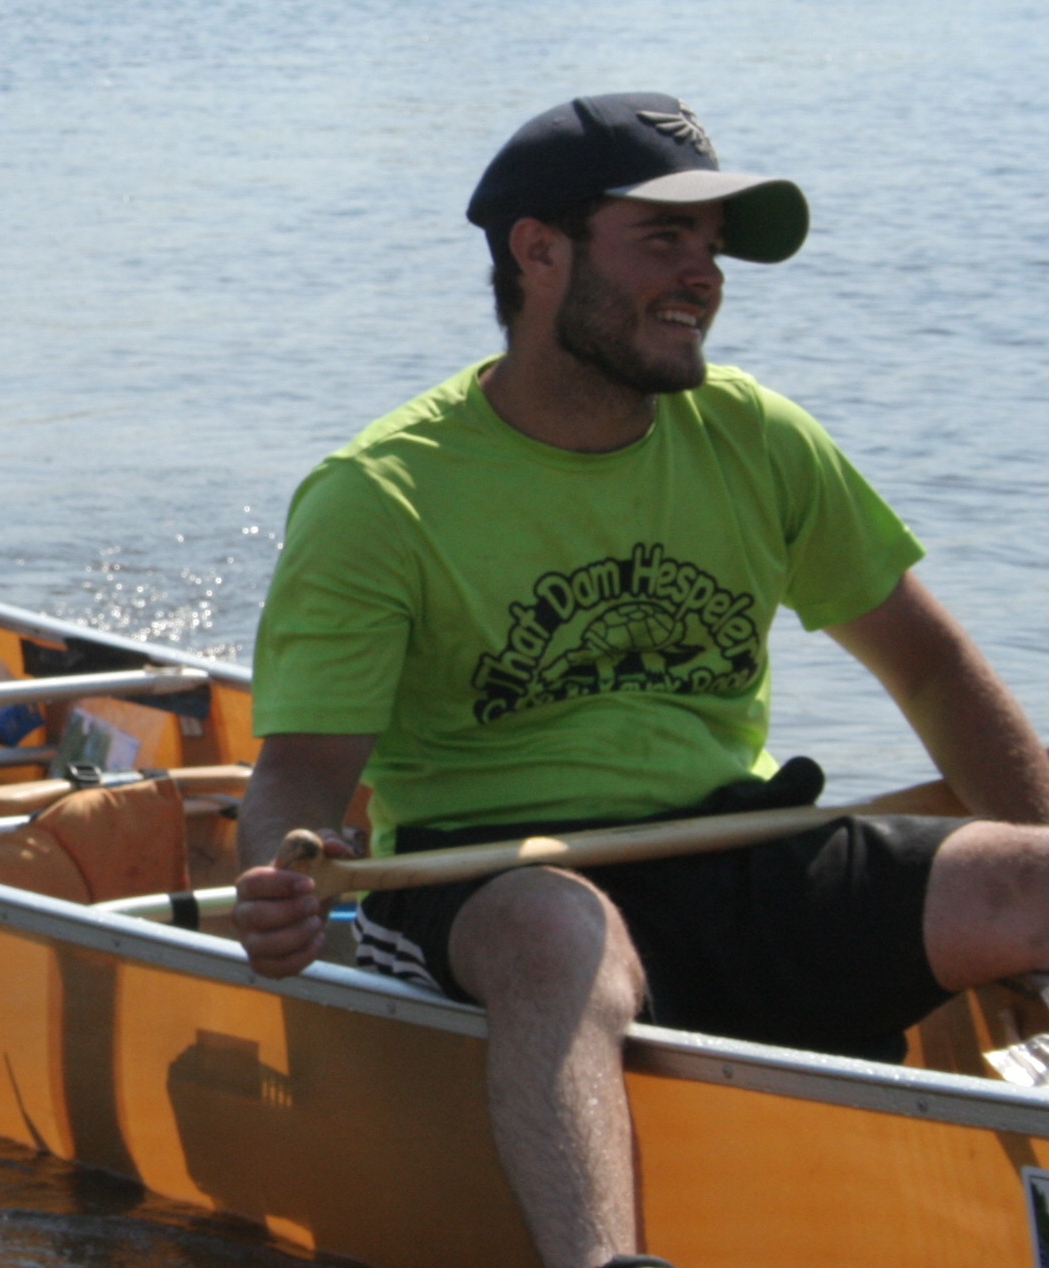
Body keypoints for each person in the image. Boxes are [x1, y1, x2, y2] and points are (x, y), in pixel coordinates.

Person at [229, 93, 1049, 1268]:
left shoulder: (757, 435)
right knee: (564, 934)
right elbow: (301, 775)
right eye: (663, 238)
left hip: (740, 850)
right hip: (496, 882)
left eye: (712, 246)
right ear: (538, 249)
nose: (702, 274)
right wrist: (279, 880)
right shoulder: (381, 495)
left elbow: (930, 664)